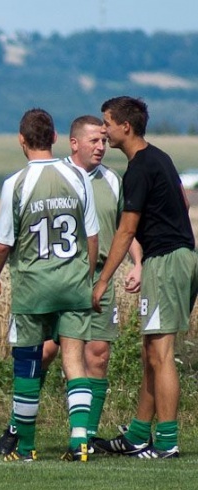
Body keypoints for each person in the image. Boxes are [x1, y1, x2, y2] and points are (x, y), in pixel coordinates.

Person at [0, 108, 98, 462]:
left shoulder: (16, 183)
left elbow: (2, 244)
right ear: (55, 138)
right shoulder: (78, 177)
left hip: (34, 286)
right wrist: (87, 277)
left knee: (29, 363)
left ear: (21, 140)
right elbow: (91, 236)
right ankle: (80, 440)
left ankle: (28, 448)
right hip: (73, 283)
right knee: (74, 360)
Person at [92, 96, 198, 459]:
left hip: (166, 261)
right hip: (178, 257)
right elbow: (182, 204)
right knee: (150, 351)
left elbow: (125, 231)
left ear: (125, 126)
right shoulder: (161, 158)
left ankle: (166, 441)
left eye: (106, 123)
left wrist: (103, 280)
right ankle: (138, 435)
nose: (103, 130)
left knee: (162, 354)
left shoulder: (138, 168)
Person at [40, 115, 142, 450]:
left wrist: (137, 262)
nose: (101, 147)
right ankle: (20, 422)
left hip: (100, 277)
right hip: (61, 276)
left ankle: (86, 434)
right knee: (45, 351)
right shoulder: (55, 176)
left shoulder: (112, 180)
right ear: (74, 143)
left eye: (103, 140)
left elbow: (125, 229)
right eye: (94, 141)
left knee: (97, 353)